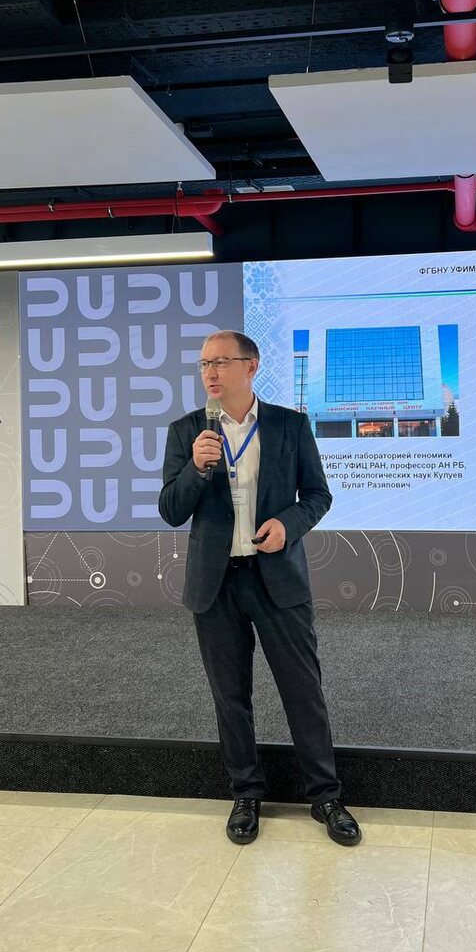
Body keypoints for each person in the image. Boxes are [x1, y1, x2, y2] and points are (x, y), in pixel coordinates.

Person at [158, 330, 362, 847]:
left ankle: (326, 796)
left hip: (277, 579)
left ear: (250, 367)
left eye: (221, 362)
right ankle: (246, 794)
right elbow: (171, 509)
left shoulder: (290, 426)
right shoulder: (188, 432)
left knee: (302, 690)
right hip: (215, 584)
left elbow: (317, 495)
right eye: (204, 364)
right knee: (230, 696)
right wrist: (196, 469)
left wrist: (287, 525)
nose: (210, 372)